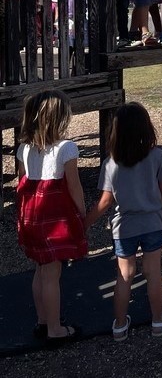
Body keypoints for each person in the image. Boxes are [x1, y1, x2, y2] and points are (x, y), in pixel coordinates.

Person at [85, 103, 162, 340]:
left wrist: (85, 222)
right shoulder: (157, 156)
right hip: (153, 222)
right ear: (146, 129)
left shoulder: (111, 163)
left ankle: (120, 326)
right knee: (153, 273)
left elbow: (105, 202)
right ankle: (158, 321)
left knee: (124, 275)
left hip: (124, 227)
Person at [15, 90, 87, 347]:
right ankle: (55, 329)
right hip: (54, 217)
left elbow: (25, 183)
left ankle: (43, 319)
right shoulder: (66, 148)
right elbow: (74, 185)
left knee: (40, 268)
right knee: (52, 274)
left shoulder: (23, 149)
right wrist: (81, 214)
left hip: (32, 215)